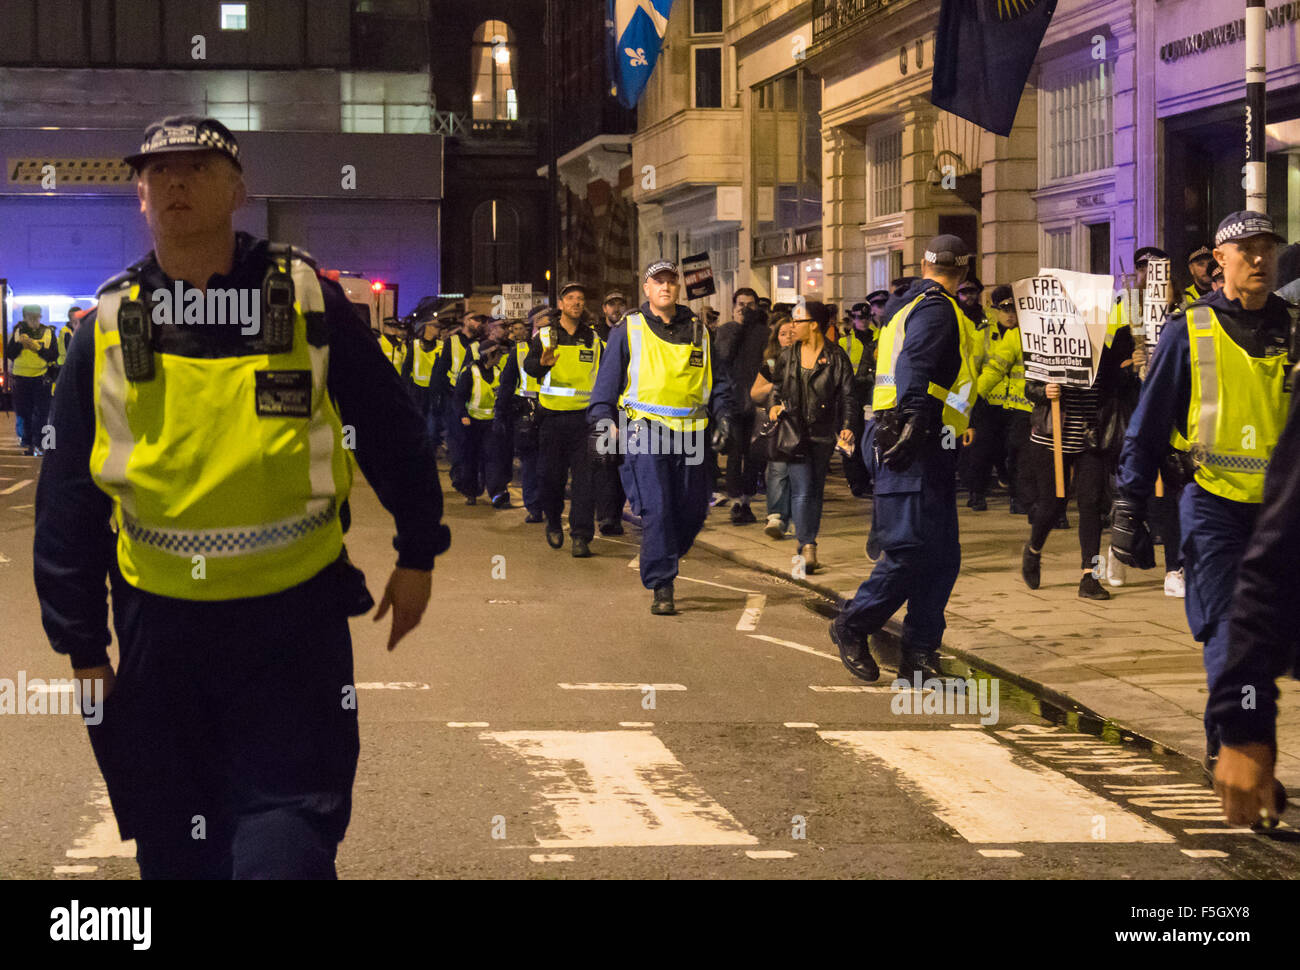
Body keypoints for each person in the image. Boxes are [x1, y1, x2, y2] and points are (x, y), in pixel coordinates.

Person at [32, 115, 449, 880]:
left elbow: (392, 430)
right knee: (176, 851)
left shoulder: (308, 302)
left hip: (292, 627)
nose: (175, 184)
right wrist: (83, 648)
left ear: (238, 189)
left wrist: (418, 551)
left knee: (284, 845)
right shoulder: (106, 327)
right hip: (159, 634)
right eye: (158, 173)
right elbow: (69, 502)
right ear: (140, 197)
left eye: (197, 168)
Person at [1113, 210, 1292, 774]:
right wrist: (1129, 506)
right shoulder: (1189, 328)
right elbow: (1147, 423)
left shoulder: (1294, 327)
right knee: (1227, 627)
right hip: (1213, 503)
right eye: (1248, 249)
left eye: (1268, 247)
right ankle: (1234, 745)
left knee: (1269, 639)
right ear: (1221, 260)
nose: (1260, 258)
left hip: (1281, 511)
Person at [828, 236, 984, 681]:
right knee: (909, 549)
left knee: (940, 555)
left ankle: (918, 656)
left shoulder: (906, 304)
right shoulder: (937, 308)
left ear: (923, 263)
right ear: (966, 268)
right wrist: (914, 419)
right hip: (913, 439)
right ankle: (852, 625)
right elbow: (915, 364)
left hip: (920, 439)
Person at [588, 260, 732, 615]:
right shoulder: (628, 329)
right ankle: (662, 583)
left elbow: (719, 384)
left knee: (693, 511)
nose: (665, 287)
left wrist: (725, 417)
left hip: (693, 434)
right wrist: (603, 426)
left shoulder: (700, 331)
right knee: (659, 507)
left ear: (678, 288)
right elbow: (605, 385)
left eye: (671, 281)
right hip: (644, 430)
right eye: (658, 282)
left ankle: (665, 552)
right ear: (648, 290)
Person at [1209, 386, 1300, 825]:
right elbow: (1280, 551)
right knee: (1220, 620)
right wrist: (1245, 721)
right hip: (1216, 501)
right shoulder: (1193, 332)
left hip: (1261, 500)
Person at [1019, 309, 1138, 600]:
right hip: (1051, 438)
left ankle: (1090, 576)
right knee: (1053, 503)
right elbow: (1030, 387)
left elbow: (1116, 386)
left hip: (1090, 439)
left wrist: (1132, 369)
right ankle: (1033, 549)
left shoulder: (1103, 352)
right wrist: (1043, 391)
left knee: (1092, 505)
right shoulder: (1047, 350)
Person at [766, 301, 855, 572]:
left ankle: (806, 541)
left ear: (813, 324)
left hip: (823, 434)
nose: (791, 327)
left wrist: (848, 424)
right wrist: (774, 405)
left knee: (815, 491)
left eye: (797, 321)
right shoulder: (787, 355)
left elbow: (848, 395)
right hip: (793, 433)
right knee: (803, 490)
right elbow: (777, 387)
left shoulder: (836, 356)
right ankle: (808, 545)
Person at [524, 283, 602, 557]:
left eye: (581, 299)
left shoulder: (593, 338)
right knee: (550, 479)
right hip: (552, 419)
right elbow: (529, 368)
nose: (576, 303)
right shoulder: (545, 334)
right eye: (570, 298)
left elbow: (603, 376)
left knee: (585, 482)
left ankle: (581, 536)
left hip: (585, 421)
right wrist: (542, 364)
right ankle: (554, 521)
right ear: (561, 304)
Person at [971, 285, 1034, 516]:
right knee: (984, 449)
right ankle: (977, 492)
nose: (1010, 315)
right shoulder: (984, 335)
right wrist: (969, 400)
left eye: (1014, 309)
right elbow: (976, 370)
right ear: (995, 310)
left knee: (1017, 453)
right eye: (1005, 309)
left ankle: (1018, 498)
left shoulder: (1026, 335)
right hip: (990, 405)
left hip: (1019, 405)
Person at [716, 294, 769, 524]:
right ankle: (736, 501)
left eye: (750, 305)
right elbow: (723, 358)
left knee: (755, 455)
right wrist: (738, 328)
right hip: (733, 401)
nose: (746, 309)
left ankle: (747, 499)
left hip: (757, 402)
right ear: (733, 308)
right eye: (741, 305)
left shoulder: (763, 333)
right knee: (736, 454)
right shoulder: (726, 330)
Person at [495, 313, 543, 520]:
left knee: (550, 464)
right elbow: (507, 384)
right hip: (526, 413)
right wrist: (501, 414)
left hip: (555, 412)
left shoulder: (563, 347)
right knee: (531, 461)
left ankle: (548, 504)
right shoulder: (520, 351)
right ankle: (534, 506)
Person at [751, 317, 797, 538]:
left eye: (791, 332)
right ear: (776, 337)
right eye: (783, 333)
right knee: (778, 469)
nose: (788, 336)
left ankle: (797, 516)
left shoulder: (808, 359)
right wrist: (774, 385)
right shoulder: (770, 363)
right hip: (779, 424)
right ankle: (776, 516)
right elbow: (755, 393)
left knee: (800, 472)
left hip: (804, 423)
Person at [430, 312, 486, 487]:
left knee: (470, 439)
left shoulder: (480, 344)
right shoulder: (452, 341)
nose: (479, 323)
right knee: (457, 437)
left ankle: (470, 474)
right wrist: (438, 395)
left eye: (481, 321)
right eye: (475, 319)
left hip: (475, 396)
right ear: (466, 321)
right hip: (453, 395)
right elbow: (441, 369)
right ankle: (459, 473)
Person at [452, 336, 510, 506]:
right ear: (489, 355)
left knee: (492, 457)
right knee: (471, 458)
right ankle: (471, 492)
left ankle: (496, 493)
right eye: (498, 354)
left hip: (490, 423)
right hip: (471, 423)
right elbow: (458, 397)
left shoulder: (498, 372)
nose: (500, 357)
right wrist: (463, 415)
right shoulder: (470, 372)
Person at [594, 291, 630, 532]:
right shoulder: (594, 335)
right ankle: (607, 515)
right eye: (611, 304)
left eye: (620, 304)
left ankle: (614, 513)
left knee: (622, 462)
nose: (616, 308)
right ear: (604, 308)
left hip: (626, 407)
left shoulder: (632, 333)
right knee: (605, 462)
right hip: (603, 406)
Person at [6, 305, 58, 455]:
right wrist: (19, 345)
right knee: (25, 413)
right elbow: (10, 354)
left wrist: (38, 349)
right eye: (31, 317)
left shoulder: (48, 332)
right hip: (22, 379)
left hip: (41, 378)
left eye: (37, 317)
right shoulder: (18, 332)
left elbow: (53, 355)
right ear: (25, 317)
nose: (34, 320)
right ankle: (29, 444)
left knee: (42, 413)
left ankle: (41, 445)